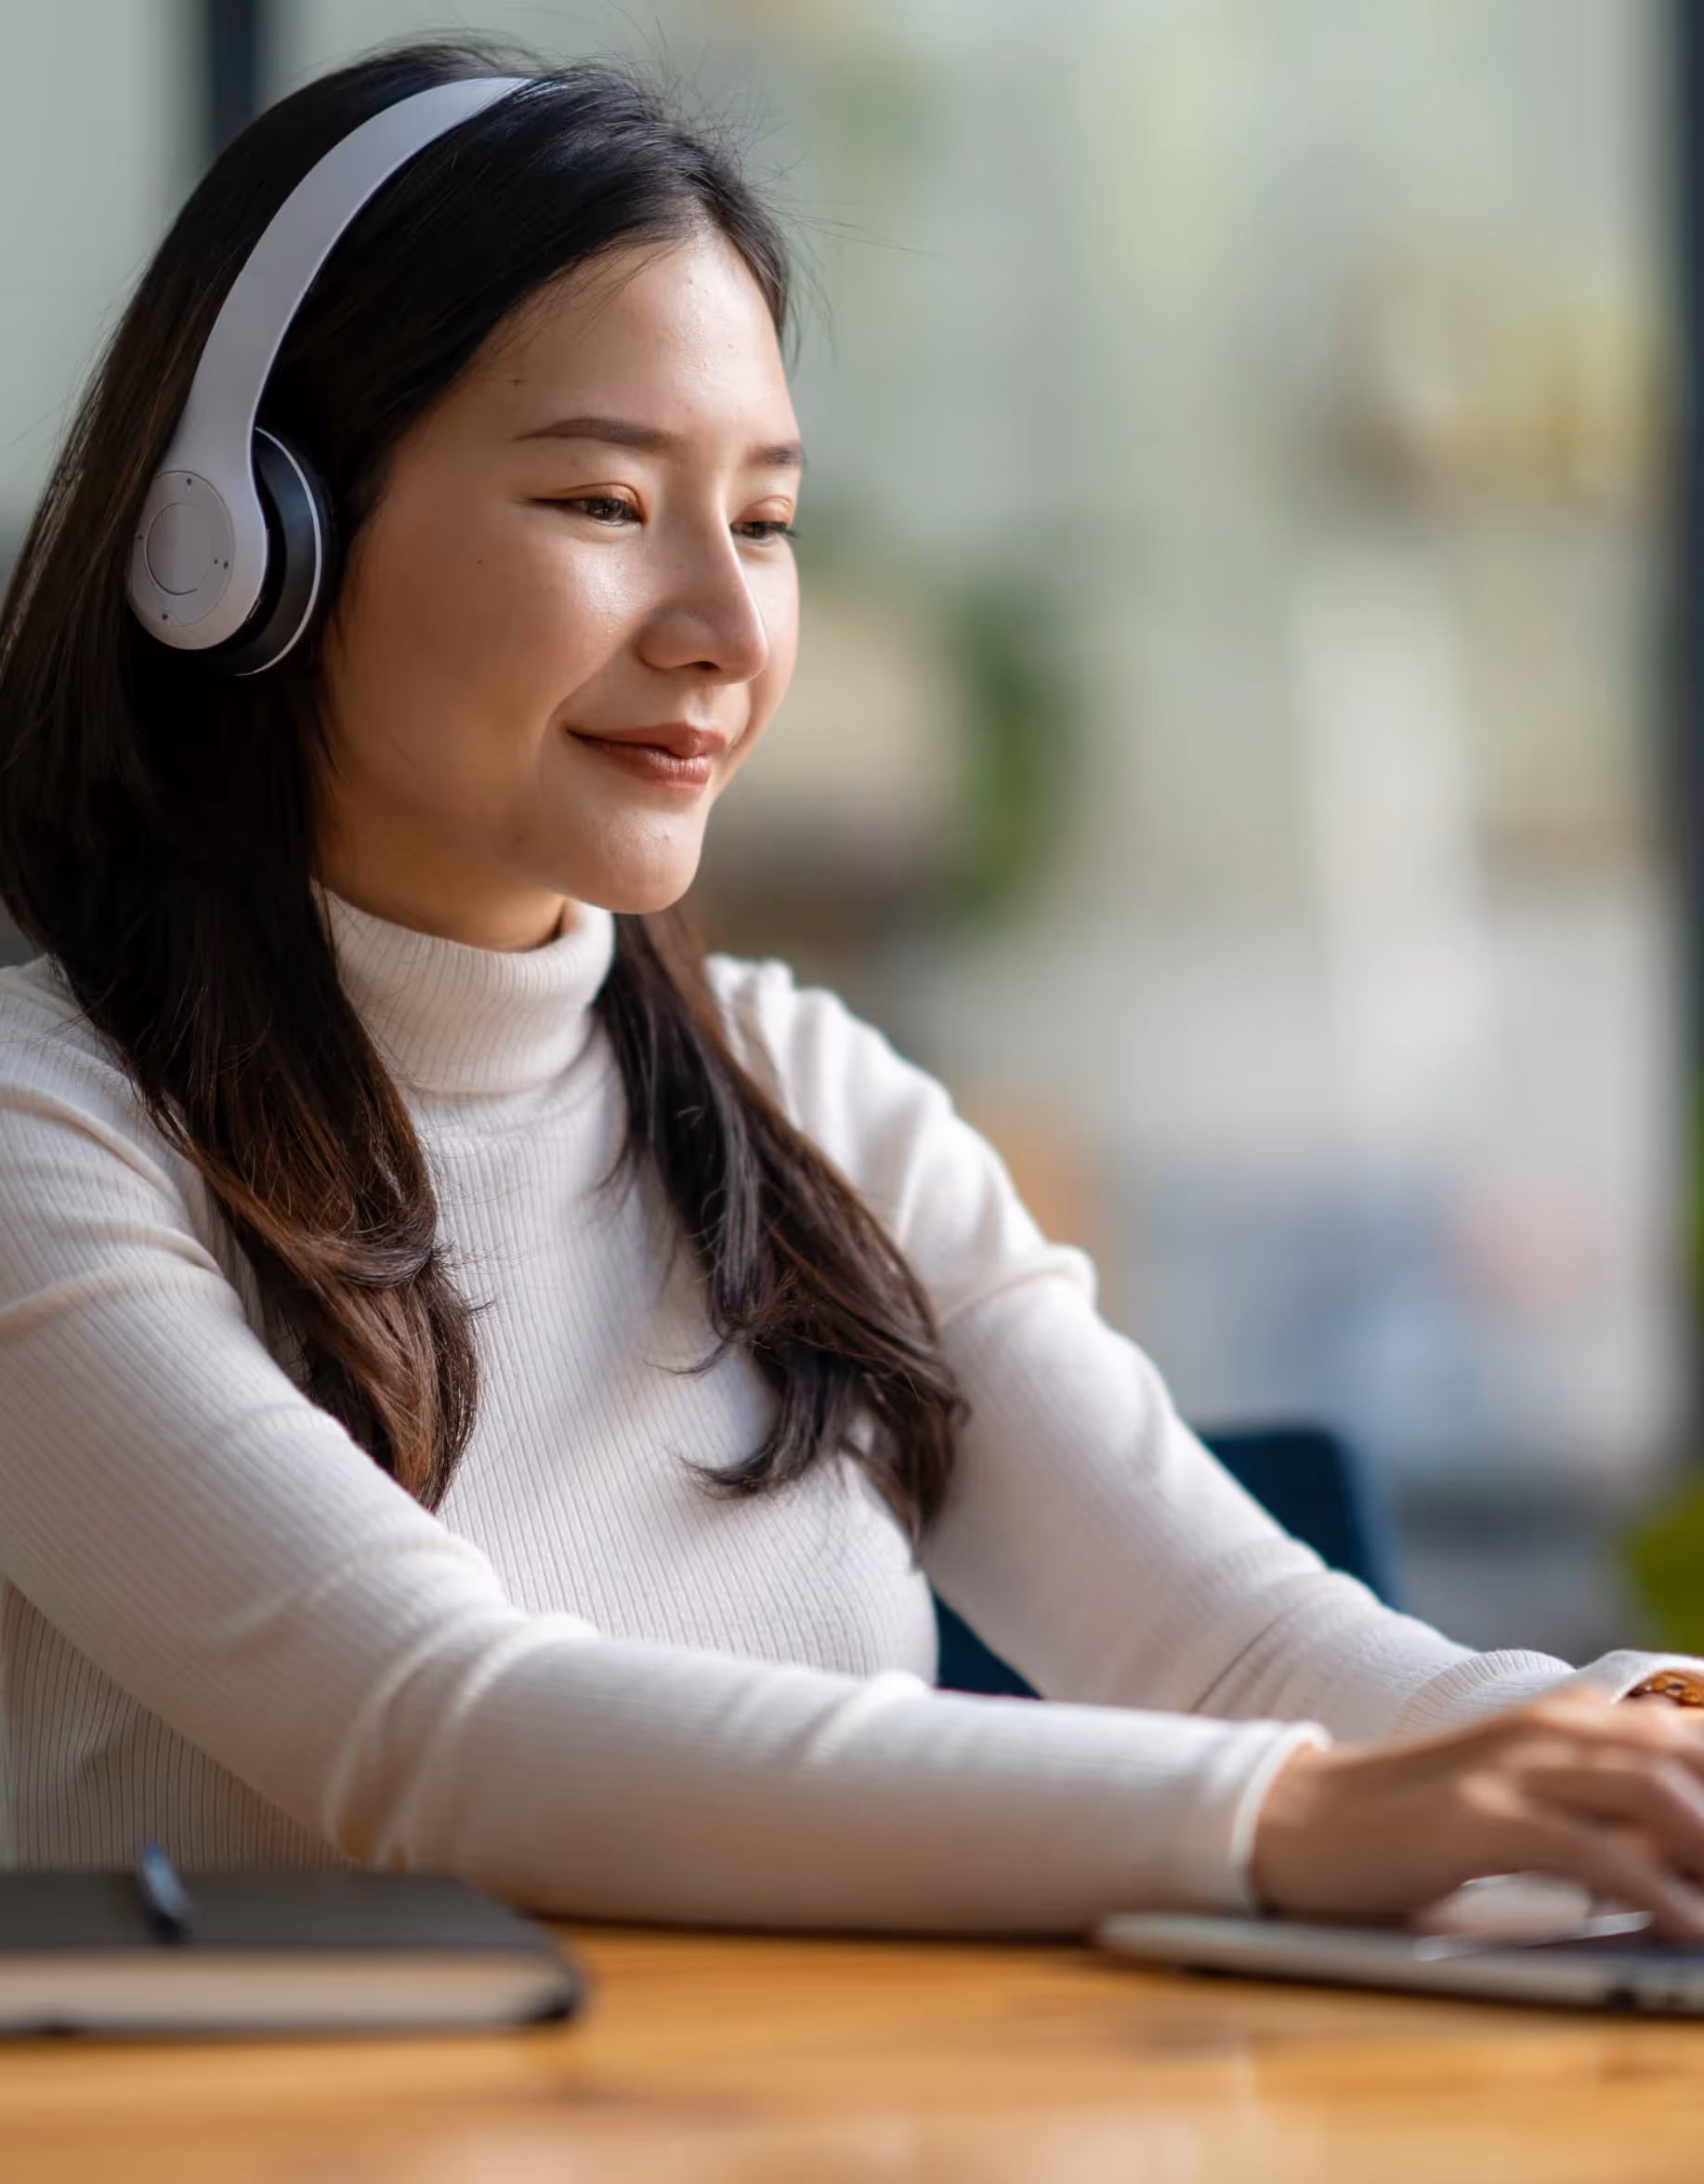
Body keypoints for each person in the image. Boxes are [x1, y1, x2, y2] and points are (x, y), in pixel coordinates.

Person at [1, 38, 1702, 1940]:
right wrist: (1285, 1816)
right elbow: (443, 1734)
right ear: (245, 545)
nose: (724, 631)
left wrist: (1612, 1739)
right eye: (599, 503)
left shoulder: (808, 1101)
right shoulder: (49, 1142)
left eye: (763, 520)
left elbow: (1230, 1649)